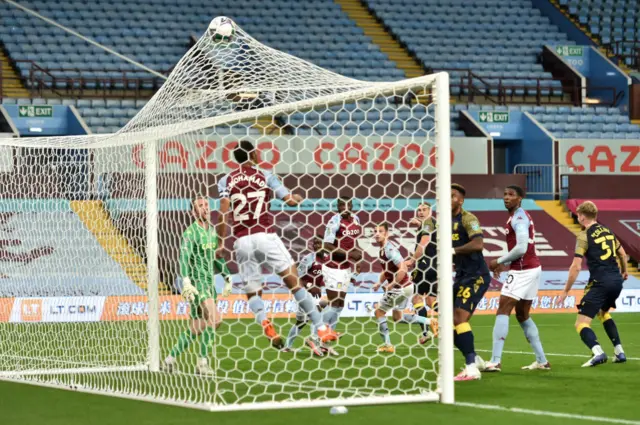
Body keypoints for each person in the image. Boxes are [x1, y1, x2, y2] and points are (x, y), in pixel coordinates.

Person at [217, 141, 337, 356]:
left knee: (253, 291)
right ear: (253, 154)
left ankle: (265, 324)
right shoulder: (265, 174)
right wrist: (298, 198)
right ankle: (321, 328)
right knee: (294, 282)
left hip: (242, 241)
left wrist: (220, 243)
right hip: (265, 235)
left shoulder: (225, 180)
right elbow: (290, 201)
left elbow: (224, 210)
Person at [483, 185, 550, 372]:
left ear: (520, 198)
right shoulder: (518, 216)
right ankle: (542, 360)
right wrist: (505, 264)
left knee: (503, 308)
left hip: (523, 270)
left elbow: (521, 248)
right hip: (532, 268)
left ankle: (495, 361)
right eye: (504, 194)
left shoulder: (519, 217)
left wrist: (498, 261)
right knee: (522, 314)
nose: (506, 198)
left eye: (511, 195)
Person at [163, 196, 232, 375]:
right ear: (194, 212)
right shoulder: (190, 233)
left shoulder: (212, 231)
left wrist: (227, 277)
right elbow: (184, 258)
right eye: (200, 206)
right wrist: (185, 280)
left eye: (206, 205)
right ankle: (202, 363)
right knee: (215, 319)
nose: (205, 208)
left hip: (210, 284)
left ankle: (169, 360)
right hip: (197, 284)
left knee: (198, 327)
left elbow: (217, 257)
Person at [557, 201, 628, 367]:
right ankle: (619, 351)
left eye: (578, 215)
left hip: (600, 282)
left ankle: (598, 352)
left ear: (582, 216)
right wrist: (624, 272)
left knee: (581, 323)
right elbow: (623, 254)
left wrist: (566, 290)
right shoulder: (609, 232)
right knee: (603, 313)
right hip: (616, 281)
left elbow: (576, 266)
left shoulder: (584, 235)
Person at [371, 223, 435, 353]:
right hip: (406, 287)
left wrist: (392, 284)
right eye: (375, 231)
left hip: (400, 288)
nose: (377, 233)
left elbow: (403, 268)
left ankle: (388, 345)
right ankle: (430, 322)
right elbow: (386, 270)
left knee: (379, 312)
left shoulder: (390, 250)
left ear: (387, 234)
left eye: (380, 231)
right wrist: (379, 283)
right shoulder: (382, 250)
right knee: (398, 317)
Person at [450, 184, 491, 381]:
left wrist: (453, 251)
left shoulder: (469, 218)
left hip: (476, 275)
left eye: (452, 196)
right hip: (460, 276)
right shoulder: (443, 221)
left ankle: (471, 368)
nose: (448, 199)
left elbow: (478, 244)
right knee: (447, 323)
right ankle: (475, 359)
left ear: (461, 200)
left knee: (459, 318)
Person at [321, 197, 363, 344]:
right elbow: (326, 245)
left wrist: (357, 259)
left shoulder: (356, 219)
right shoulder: (334, 221)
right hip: (332, 266)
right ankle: (316, 335)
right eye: (342, 205)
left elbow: (353, 240)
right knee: (334, 303)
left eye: (348, 204)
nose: (345, 207)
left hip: (345, 267)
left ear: (352, 206)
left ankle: (328, 337)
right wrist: (350, 255)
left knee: (340, 304)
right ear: (338, 207)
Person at [283, 237, 332, 354]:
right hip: (303, 292)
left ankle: (287, 346)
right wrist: (310, 285)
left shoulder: (328, 259)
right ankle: (314, 340)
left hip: (316, 294)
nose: (316, 245)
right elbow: (296, 277)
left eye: (319, 243)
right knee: (318, 314)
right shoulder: (309, 259)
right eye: (314, 243)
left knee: (301, 322)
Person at [407, 202, 439, 344]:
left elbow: (424, 241)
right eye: (418, 210)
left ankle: (425, 333)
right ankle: (451, 321)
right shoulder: (430, 223)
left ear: (430, 210)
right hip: (436, 266)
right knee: (431, 300)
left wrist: (412, 259)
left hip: (424, 266)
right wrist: (419, 224)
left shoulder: (428, 223)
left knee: (416, 299)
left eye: (424, 209)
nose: (420, 212)